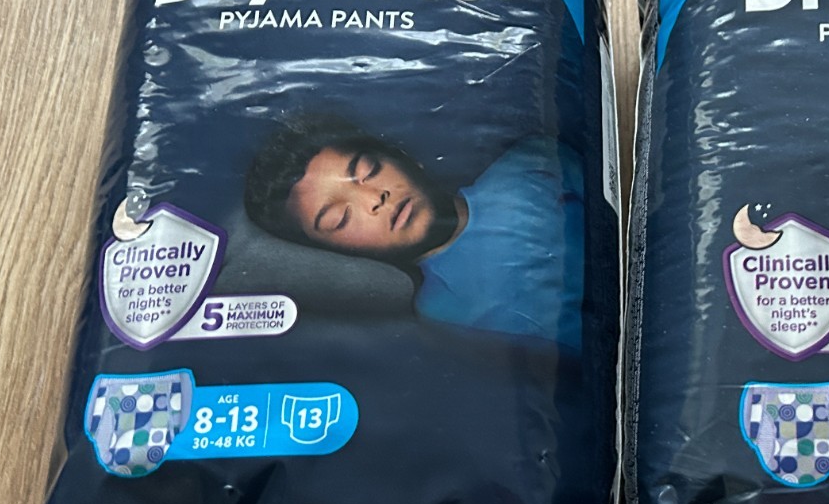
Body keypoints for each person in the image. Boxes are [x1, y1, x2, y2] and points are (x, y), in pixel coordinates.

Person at [245, 114, 583, 349]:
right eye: (339, 218)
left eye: (369, 171)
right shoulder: (442, 316)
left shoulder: (529, 162)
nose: (374, 199)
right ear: (340, 253)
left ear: (404, 156)